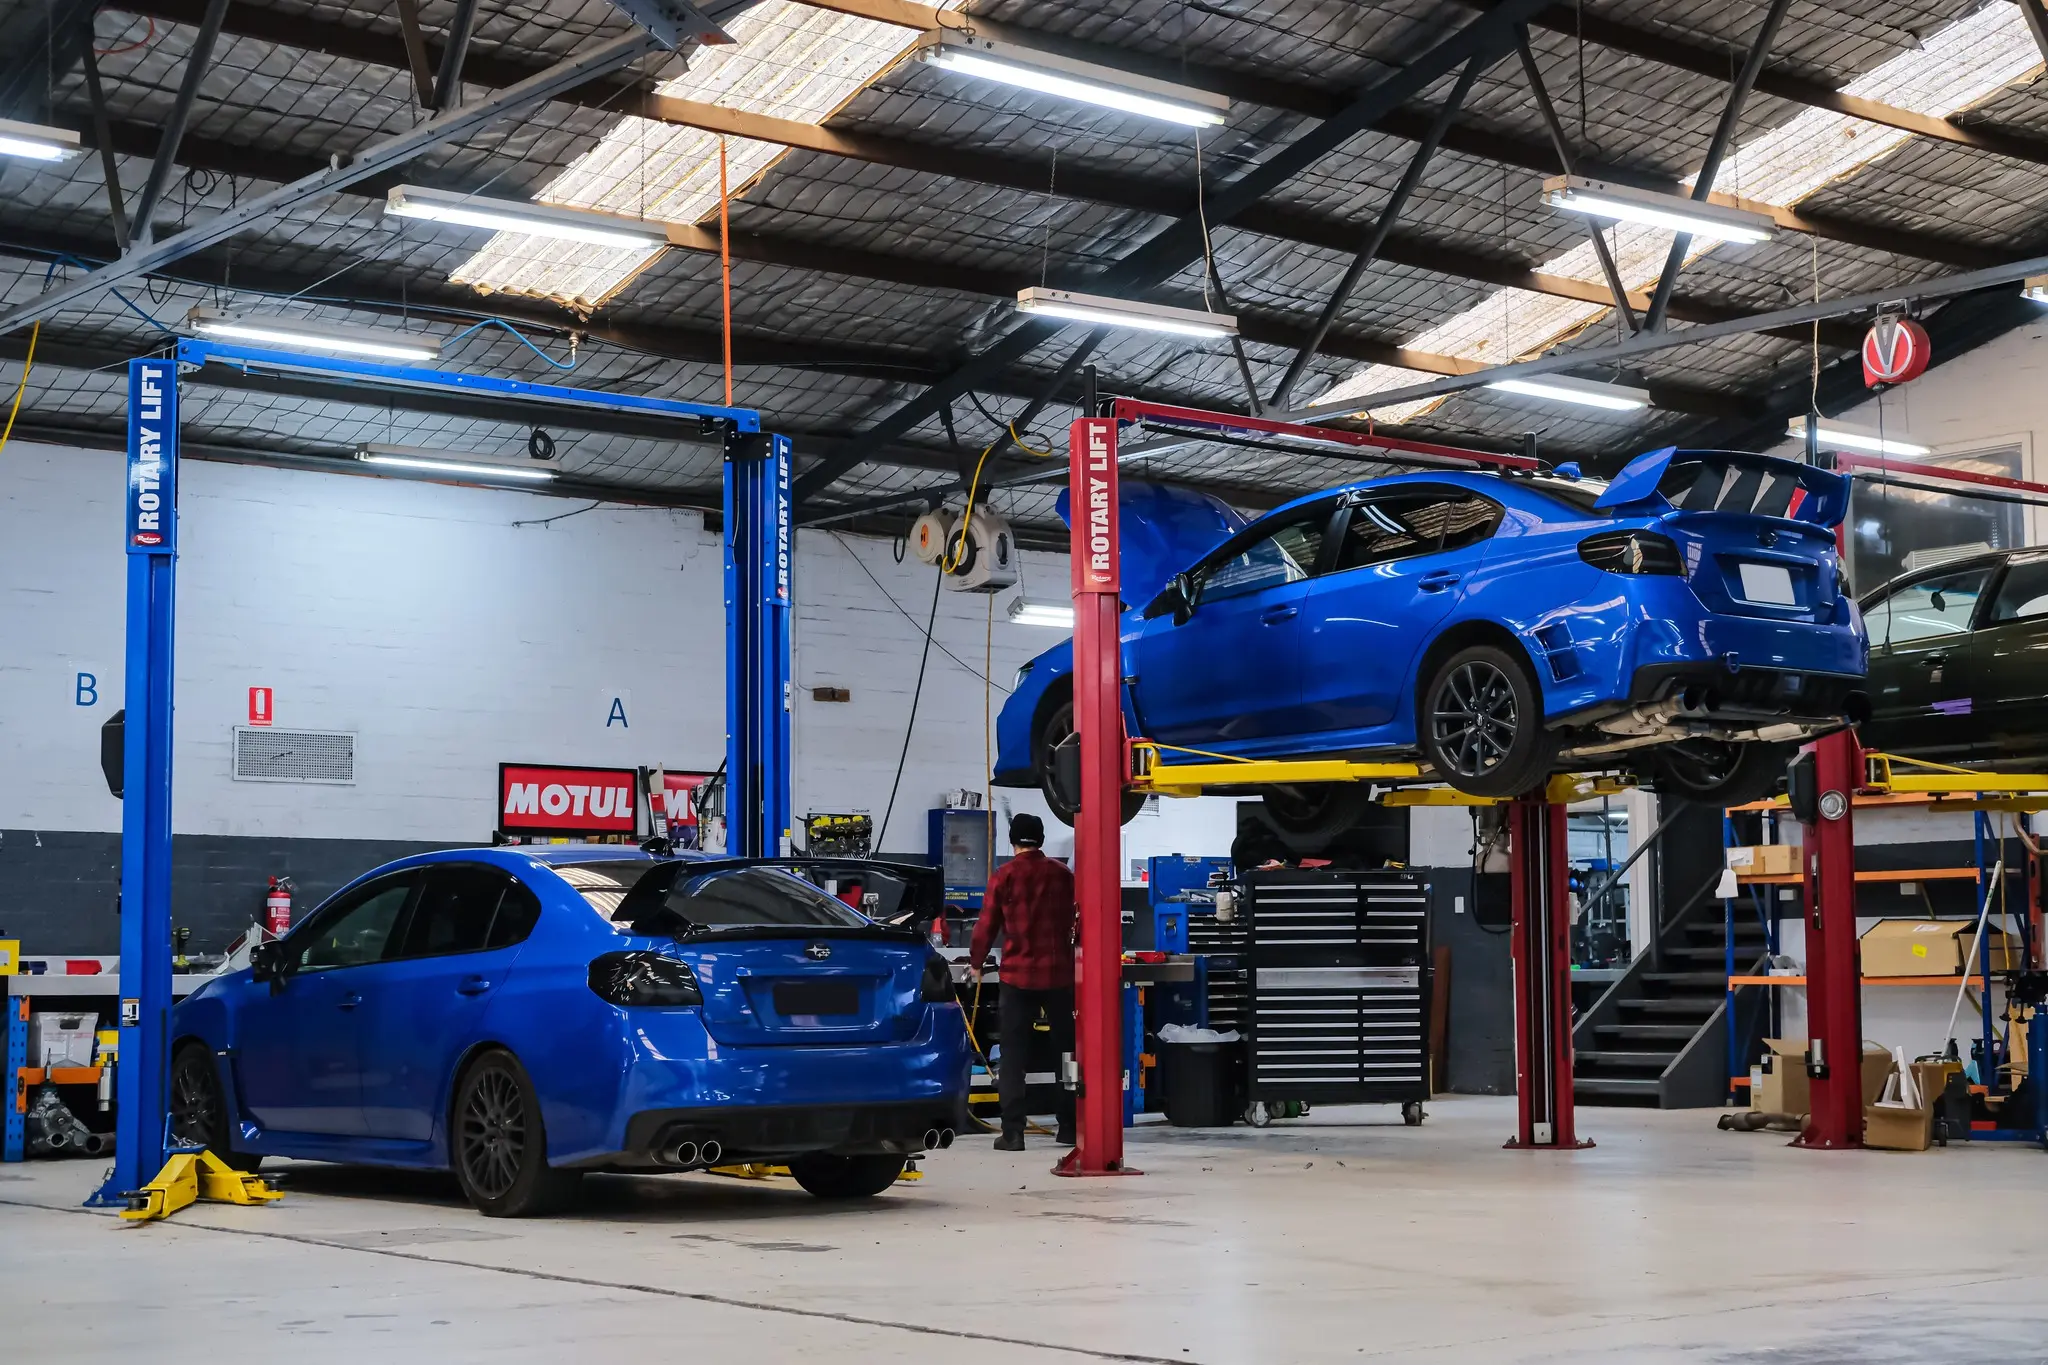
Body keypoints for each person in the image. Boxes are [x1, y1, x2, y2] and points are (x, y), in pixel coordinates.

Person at [968, 812, 1076, 1150]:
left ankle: (1013, 1133)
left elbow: (985, 926)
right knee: (1067, 1053)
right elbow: (1081, 916)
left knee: (1014, 1057)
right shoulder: (1062, 874)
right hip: (1059, 975)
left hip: (1016, 976)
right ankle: (1070, 1128)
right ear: (1041, 840)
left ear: (1013, 840)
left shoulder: (1004, 876)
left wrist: (975, 964)